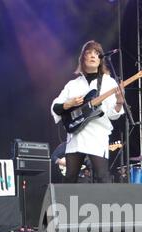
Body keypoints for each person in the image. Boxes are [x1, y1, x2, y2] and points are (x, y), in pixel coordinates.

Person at [51, 40, 124, 183]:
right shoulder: (73, 84)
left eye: (97, 54)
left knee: (102, 177)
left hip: (97, 135)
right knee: (70, 178)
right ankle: (66, 205)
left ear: (101, 59)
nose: (93, 56)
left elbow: (112, 114)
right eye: (89, 53)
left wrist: (120, 102)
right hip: (76, 136)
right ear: (83, 58)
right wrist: (68, 104)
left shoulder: (109, 82)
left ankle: (106, 206)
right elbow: (56, 107)